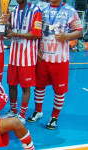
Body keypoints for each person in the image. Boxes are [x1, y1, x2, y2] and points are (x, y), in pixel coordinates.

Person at [27, 0, 83, 129]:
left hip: (60, 60)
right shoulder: (42, 9)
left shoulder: (70, 11)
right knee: (39, 86)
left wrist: (66, 36)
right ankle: (38, 111)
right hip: (42, 57)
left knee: (59, 91)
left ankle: (54, 117)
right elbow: (36, 30)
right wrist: (36, 49)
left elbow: (79, 32)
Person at [0, 0, 42, 124]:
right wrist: (5, 25)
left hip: (27, 57)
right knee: (11, 84)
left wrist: (15, 33)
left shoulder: (35, 11)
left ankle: (22, 114)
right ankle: (13, 111)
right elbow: (9, 33)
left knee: (25, 87)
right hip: (13, 55)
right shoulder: (14, 11)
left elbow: (36, 33)